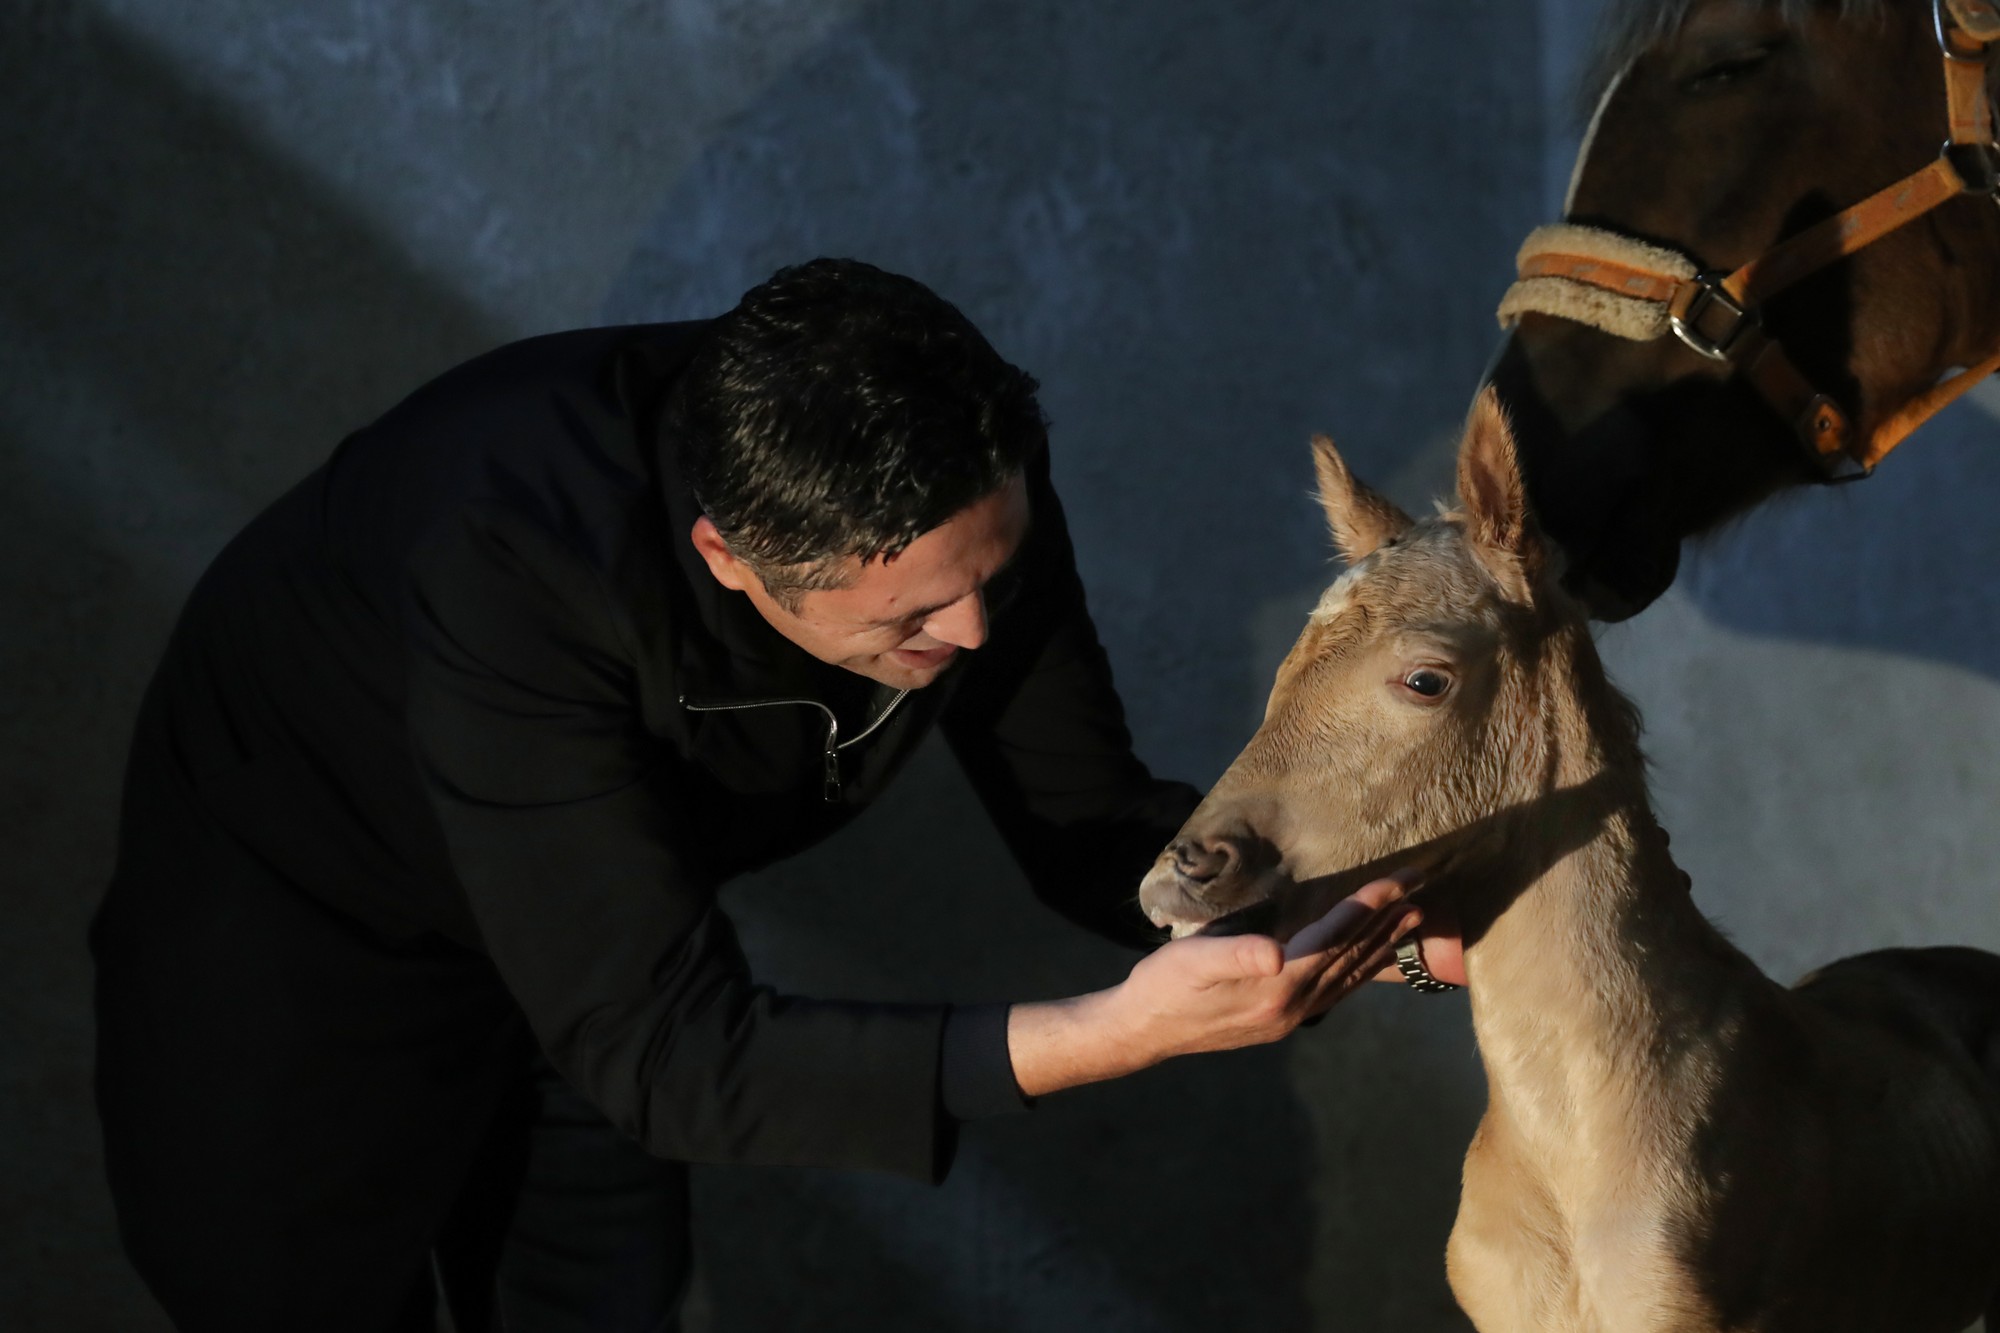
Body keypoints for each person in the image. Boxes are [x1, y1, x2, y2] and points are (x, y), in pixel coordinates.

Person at [91, 258, 1432, 1333]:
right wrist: (1111, 1032)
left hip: (619, 938)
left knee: (606, 1292)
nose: (974, 634)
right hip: (305, 940)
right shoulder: (512, 556)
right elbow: (671, 1051)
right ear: (730, 559)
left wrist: (1361, 912)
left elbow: (1090, 827)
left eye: (997, 574)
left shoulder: (962, 490)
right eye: (916, 613)